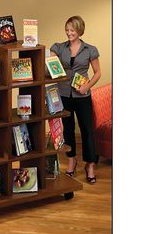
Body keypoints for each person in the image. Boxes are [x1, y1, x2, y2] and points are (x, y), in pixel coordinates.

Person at [50, 15, 101, 184]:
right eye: (67, 30)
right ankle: (72, 160)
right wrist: (52, 58)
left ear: (79, 30)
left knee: (87, 129)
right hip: (64, 94)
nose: (69, 33)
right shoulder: (59, 47)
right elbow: (52, 57)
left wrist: (87, 86)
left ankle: (90, 164)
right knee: (68, 129)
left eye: (72, 30)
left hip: (82, 95)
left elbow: (97, 73)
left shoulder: (90, 49)